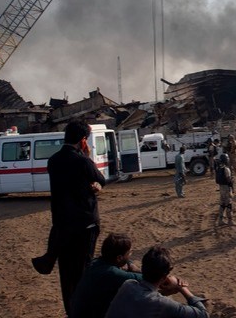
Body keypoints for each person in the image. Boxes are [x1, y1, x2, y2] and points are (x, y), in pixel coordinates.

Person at [34, 119, 106, 316]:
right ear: (83, 140)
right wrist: (87, 158)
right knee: (83, 271)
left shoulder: (53, 160)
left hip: (61, 225)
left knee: (66, 273)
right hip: (85, 224)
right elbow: (101, 180)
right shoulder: (82, 161)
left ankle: (71, 311)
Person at [104, 245, 208, 318]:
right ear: (164, 277)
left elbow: (144, 299)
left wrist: (163, 292)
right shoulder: (162, 304)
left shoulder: (128, 285)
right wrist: (182, 288)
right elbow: (203, 314)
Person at [69, 233, 142, 318]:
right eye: (129, 253)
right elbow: (148, 278)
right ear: (119, 258)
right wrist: (137, 270)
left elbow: (126, 263)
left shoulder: (96, 263)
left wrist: (130, 264)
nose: (130, 255)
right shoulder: (112, 273)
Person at [215, 154, 235, 226]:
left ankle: (220, 220)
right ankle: (230, 221)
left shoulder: (219, 168)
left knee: (222, 204)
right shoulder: (226, 169)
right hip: (226, 188)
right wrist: (232, 182)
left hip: (221, 188)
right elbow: (228, 180)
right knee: (229, 204)